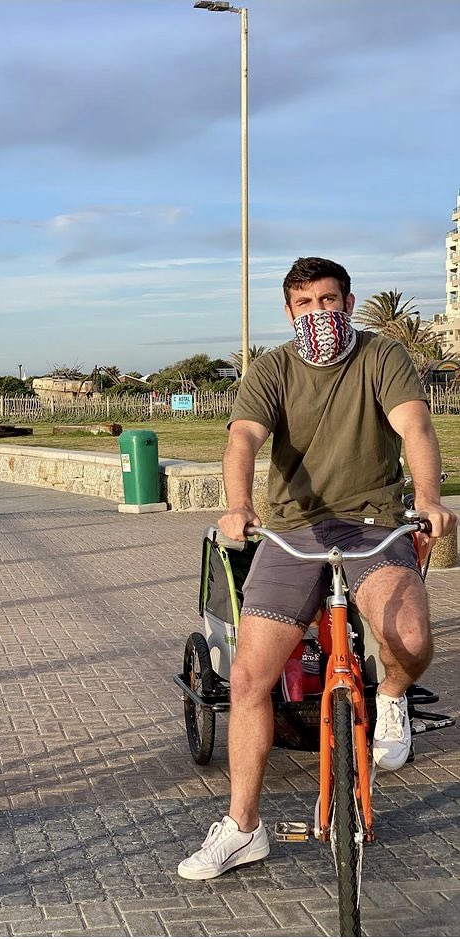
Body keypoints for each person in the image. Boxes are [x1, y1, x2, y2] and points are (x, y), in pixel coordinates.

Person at [178, 256, 457, 881]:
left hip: (373, 522)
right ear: (289, 312)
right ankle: (244, 828)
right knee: (250, 678)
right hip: (291, 528)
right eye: (305, 305)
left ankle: (389, 697)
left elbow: (414, 426)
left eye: (329, 302)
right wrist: (240, 507)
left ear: (348, 302)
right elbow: (243, 439)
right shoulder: (273, 368)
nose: (319, 315)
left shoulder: (381, 357)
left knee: (409, 639)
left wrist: (430, 498)